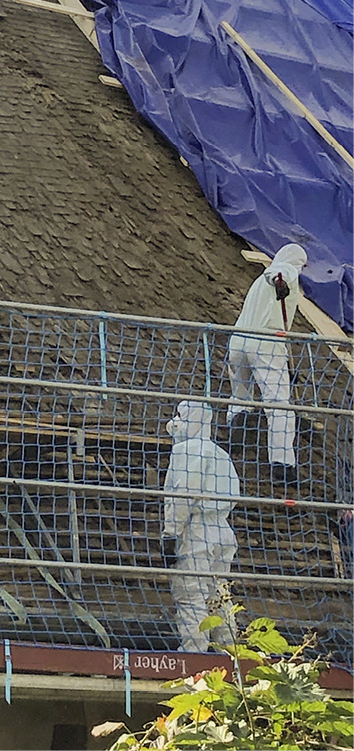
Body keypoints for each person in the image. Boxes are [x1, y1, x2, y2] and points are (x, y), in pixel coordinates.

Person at [161, 400, 240, 653]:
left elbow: (183, 494)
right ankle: (229, 651)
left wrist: (170, 533)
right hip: (223, 530)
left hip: (197, 531)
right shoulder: (220, 454)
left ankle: (193, 651)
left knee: (191, 592)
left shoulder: (187, 451)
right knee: (218, 594)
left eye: (181, 417)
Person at [226, 243, 308, 485]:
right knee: (279, 405)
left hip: (239, 340)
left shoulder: (256, 283)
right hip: (266, 343)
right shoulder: (285, 270)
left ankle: (235, 433)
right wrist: (281, 281)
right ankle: (283, 464)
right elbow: (280, 273)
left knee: (241, 395)